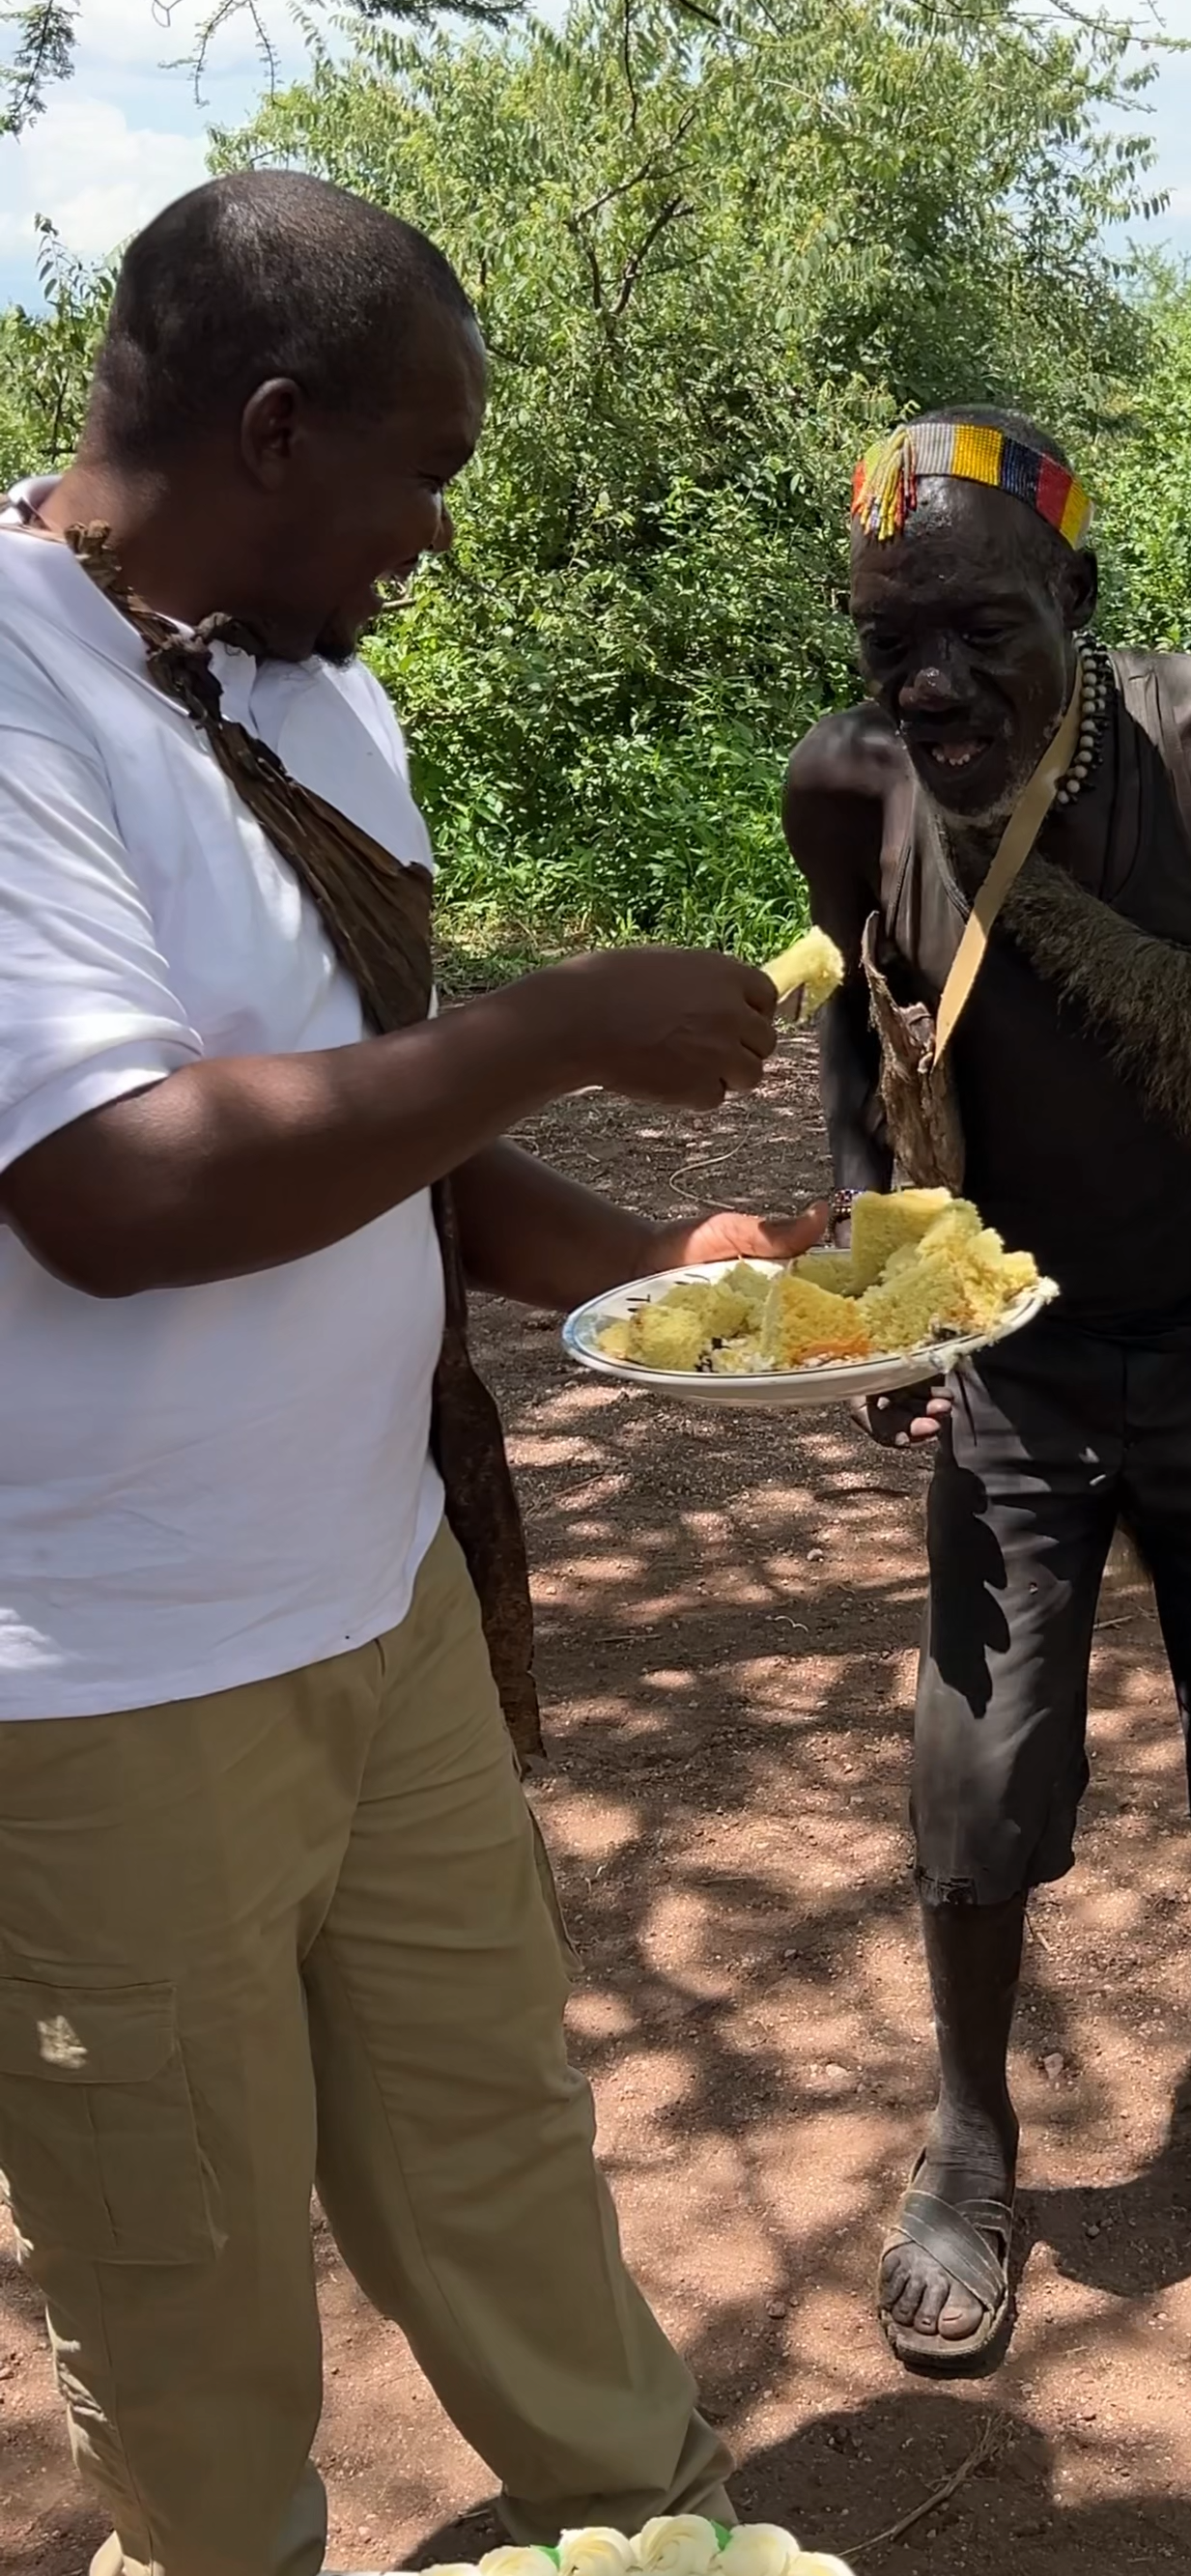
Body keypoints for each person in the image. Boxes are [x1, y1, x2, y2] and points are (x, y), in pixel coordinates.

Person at [0, 172, 817, 2576]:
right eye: (420, 474)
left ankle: (647, 2520)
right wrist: (558, 1024)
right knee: (188, 2268)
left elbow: (399, 1151)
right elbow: (121, 1186)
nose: (437, 537)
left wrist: (673, 1275)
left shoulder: (309, 701)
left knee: (491, 2131)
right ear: (272, 431)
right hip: (104, 1677)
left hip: (380, 1597)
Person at [783, 410, 1191, 2369]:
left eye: (979, 630)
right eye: (885, 637)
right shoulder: (852, 792)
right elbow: (864, 1034)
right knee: (981, 1773)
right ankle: (974, 2141)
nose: (927, 684)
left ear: (1076, 601)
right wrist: (871, 1270)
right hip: (1019, 1369)